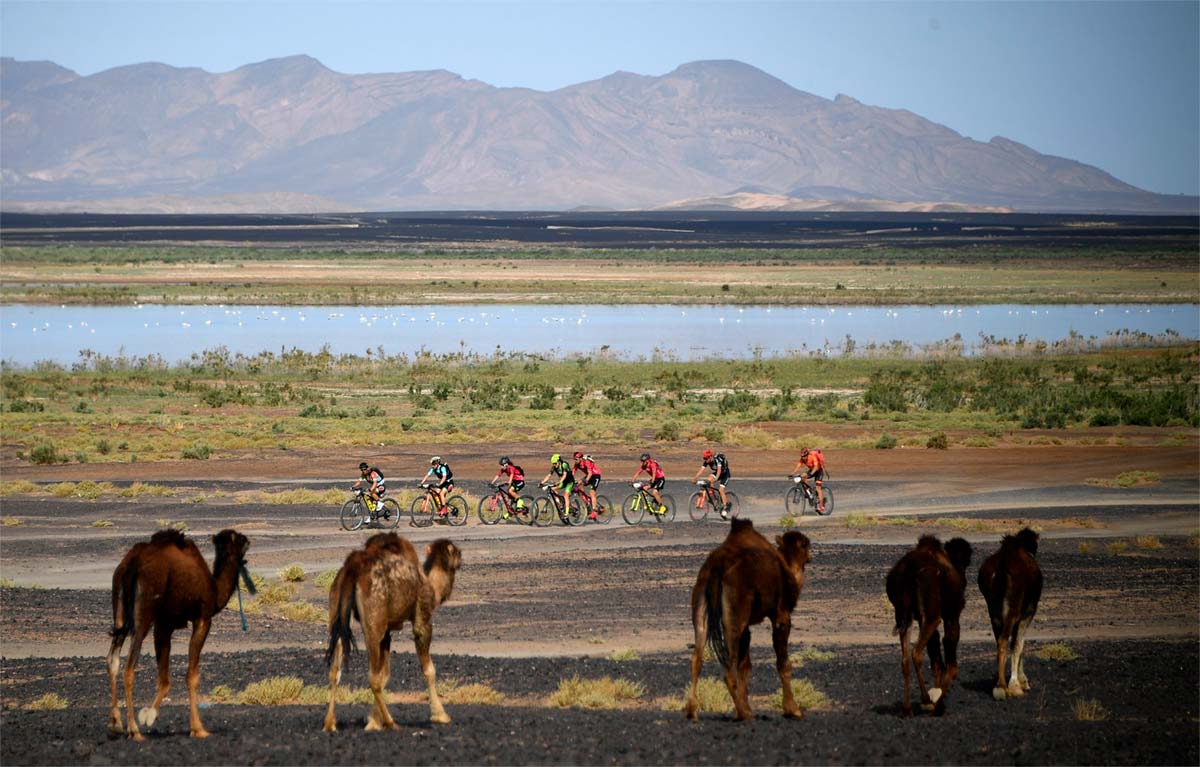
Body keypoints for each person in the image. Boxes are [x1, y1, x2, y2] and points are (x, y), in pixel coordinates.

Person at [693, 449, 732, 519]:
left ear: (710, 457)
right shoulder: (706, 462)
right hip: (718, 473)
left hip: (725, 474)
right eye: (704, 458)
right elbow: (701, 470)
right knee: (708, 480)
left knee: (721, 490)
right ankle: (714, 499)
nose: (705, 460)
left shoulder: (717, 459)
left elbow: (719, 470)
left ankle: (725, 507)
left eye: (706, 458)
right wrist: (695, 478)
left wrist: (716, 478)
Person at [793, 447, 826, 512]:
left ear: (807, 454)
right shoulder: (802, 459)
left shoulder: (812, 457)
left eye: (804, 456)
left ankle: (821, 506)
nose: (803, 458)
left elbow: (816, 467)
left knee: (818, 488)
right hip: (811, 470)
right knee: (802, 476)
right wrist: (792, 474)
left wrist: (811, 474)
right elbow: (798, 467)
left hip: (819, 472)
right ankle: (808, 492)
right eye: (802, 456)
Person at [573, 451, 603, 520]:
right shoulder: (576, 464)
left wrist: (586, 480)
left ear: (581, 458)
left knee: (592, 492)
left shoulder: (586, 462)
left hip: (595, 475)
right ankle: (587, 502)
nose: (575, 461)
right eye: (574, 459)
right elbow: (572, 473)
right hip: (589, 476)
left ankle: (594, 512)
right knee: (578, 487)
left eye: (576, 459)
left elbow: (590, 473)